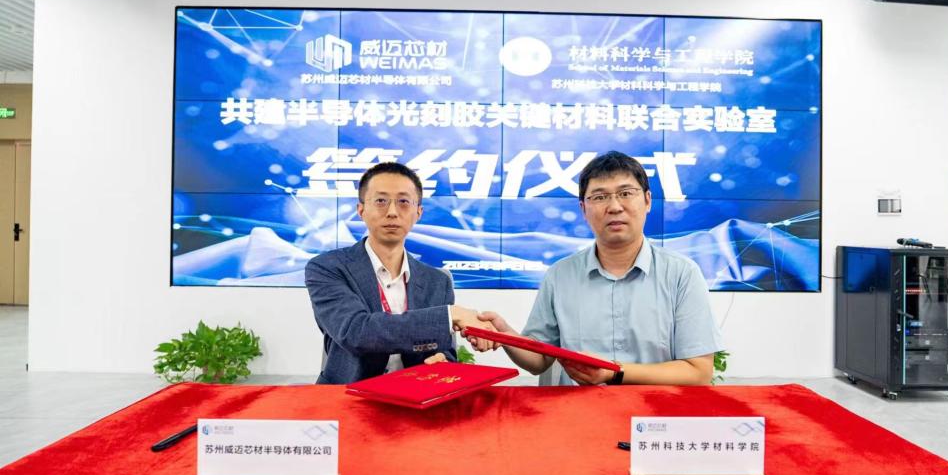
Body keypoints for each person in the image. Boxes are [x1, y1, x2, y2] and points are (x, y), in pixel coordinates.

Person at [469, 151, 722, 386]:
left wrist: (615, 372)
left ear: (647, 201)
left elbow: (698, 371)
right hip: (575, 414)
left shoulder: (681, 274)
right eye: (600, 197)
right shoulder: (560, 275)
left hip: (651, 414)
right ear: (583, 209)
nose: (614, 206)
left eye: (626, 193)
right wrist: (506, 335)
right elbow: (539, 359)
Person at [306, 162, 488, 384]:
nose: (392, 212)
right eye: (381, 201)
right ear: (361, 210)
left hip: (414, 395)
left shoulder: (438, 281)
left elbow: (444, 351)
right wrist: (450, 315)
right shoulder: (327, 267)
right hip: (346, 395)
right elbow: (355, 332)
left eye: (403, 202)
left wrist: (441, 361)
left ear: (418, 212)